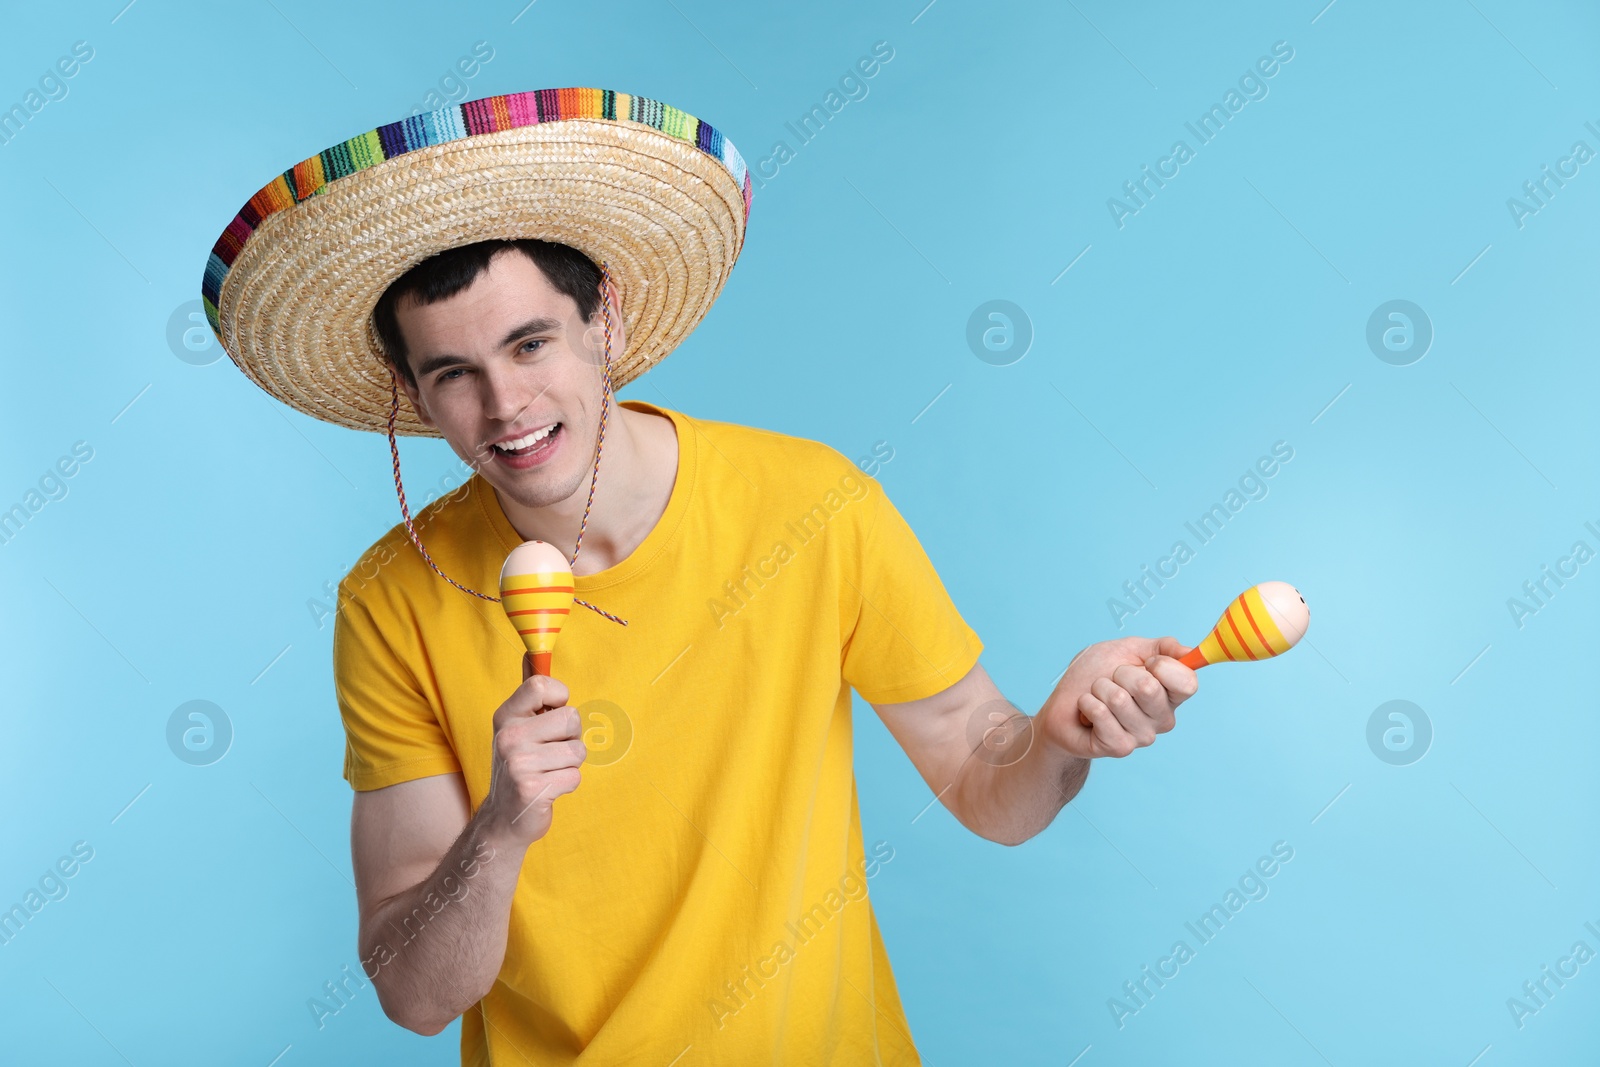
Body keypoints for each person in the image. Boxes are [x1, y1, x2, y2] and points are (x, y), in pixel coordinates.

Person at [202, 87, 1197, 1066]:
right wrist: (500, 827)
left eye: (530, 342)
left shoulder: (811, 504)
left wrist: (1060, 739)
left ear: (608, 321)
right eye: (453, 370)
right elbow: (415, 996)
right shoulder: (389, 599)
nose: (504, 403)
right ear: (410, 392)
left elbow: (989, 786)